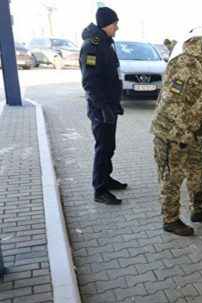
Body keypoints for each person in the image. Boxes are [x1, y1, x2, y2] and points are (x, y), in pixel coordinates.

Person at [151, 33, 202, 236]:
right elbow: (172, 104)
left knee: (197, 171)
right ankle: (170, 220)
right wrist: (192, 124)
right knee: (172, 177)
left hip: (190, 130)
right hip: (171, 132)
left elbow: (200, 100)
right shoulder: (185, 66)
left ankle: (198, 210)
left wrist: (197, 124)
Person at [79, 7, 126, 205]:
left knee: (109, 146)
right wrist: (103, 107)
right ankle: (100, 190)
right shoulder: (93, 46)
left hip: (109, 106)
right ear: (106, 24)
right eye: (115, 24)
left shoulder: (105, 43)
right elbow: (90, 82)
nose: (117, 27)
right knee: (103, 148)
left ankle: (106, 178)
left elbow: (111, 77)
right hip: (100, 109)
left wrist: (114, 104)